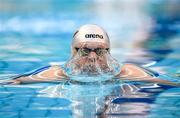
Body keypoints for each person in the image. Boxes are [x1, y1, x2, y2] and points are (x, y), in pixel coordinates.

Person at [7, 24, 179, 86]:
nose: (93, 57)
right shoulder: (56, 74)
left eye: (100, 50)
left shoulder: (127, 73)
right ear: (73, 52)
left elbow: (170, 82)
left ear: (109, 52)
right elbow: (12, 82)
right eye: (85, 50)